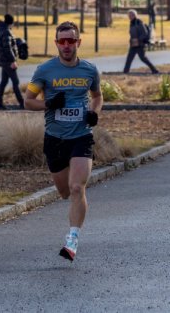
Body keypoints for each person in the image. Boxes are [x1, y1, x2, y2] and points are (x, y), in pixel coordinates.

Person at [24, 21, 103, 261]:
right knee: (65, 191)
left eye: (71, 41)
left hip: (81, 136)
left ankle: (72, 240)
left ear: (79, 42)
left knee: (78, 187)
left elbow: (97, 96)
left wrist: (94, 112)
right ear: (56, 43)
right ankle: (73, 225)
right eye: (62, 41)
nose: (67, 45)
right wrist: (48, 103)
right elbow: (28, 101)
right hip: (55, 138)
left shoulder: (90, 70)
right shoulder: (44, 71)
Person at [0, 14, 25, 110]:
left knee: (4, 81)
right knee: (15, 82)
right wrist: (12, 61)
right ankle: (22, 103)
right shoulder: (6, 32)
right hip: (8, 61)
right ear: (11, 23)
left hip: (4, 60)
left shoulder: (2, 30)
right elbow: (7, 48)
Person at [123, 10, 159, 74]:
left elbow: (145, 33)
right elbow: (132, 34)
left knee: (143, 58)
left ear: (134, 15)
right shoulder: (131, 23)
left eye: (131, 15)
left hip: (140, 44)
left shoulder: (139, 22)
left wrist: (138, 40)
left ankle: (154, 70)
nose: (129, 17)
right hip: (133, 44)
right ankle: (125, 71)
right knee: (129, 58)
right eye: (129, 15)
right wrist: (131, 40)